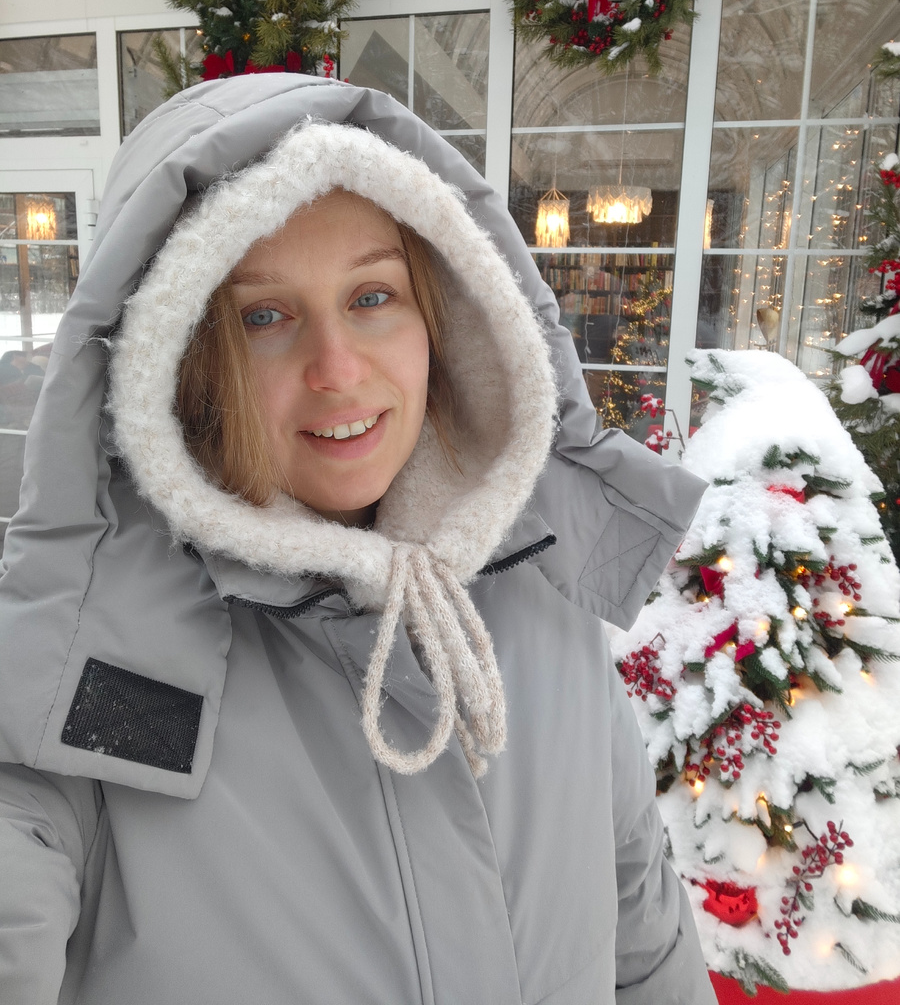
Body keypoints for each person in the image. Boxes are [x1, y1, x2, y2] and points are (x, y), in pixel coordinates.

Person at [0, 76, 715, 1004]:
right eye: (263, 316)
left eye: (373, 296)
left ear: (444, 316)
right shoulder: (95, 665)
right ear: (179, 359)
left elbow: (639, 918)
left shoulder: (534, 581)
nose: (336, 370)